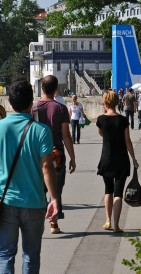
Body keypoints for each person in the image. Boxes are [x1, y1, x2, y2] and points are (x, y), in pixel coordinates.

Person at [0, 80, 58, 273]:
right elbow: (47, 166)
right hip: (33, 201)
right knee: (31, 255)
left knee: (5, 255)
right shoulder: (41, 131)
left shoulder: (1, 128)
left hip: (6, 201)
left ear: (10, 102)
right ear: (31, 103)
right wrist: (54, 198)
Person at [34, 75, 76, 234]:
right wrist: (72, 157)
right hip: (56, 153)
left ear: (41, 88)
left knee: (39, 189)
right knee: (56, 189)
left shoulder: (34, 108)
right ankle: (53, 223)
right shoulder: (60, 108)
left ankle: (37, 222)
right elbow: (66, 134)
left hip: (38, 154)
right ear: (56, 89)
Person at [96, 90, 139, 232]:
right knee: (118, 192)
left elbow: (101, 134)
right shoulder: (123, 120)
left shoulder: (101, 120)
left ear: (105, 102)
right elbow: (128, 141)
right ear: (117, 102)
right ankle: (116, 224)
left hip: (106, 159)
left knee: (108, 190)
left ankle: (107, 221)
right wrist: (133, 158)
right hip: (121, 160)